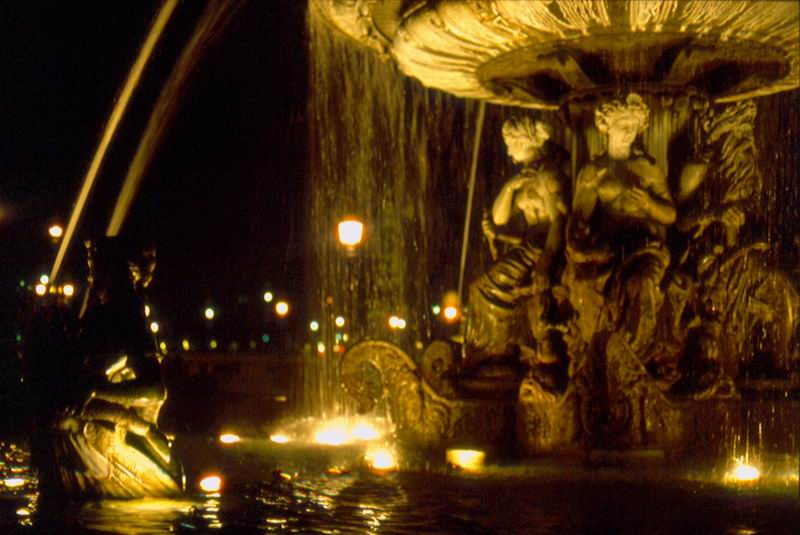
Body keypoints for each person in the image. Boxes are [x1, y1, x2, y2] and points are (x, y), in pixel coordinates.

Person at [569, 93, 675, 356]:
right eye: (623, 125)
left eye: (634, 126)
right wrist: (582, 242)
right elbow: (579, 218)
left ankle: (636, 351)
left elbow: (670, 215)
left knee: (643, 282)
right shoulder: (593, 172)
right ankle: (597, 350)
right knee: (586, 286)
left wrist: (650, 204)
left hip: (643, 246)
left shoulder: (646, 168)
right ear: (605, 126)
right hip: (607, 247)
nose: (629, 132)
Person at [466, 116, 567, 377]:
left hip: (540, 249)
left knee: (483, 288)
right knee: (482, 288)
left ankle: (494, 351)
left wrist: (546, 261)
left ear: (525, 142)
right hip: (527, 247)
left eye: (512, 144)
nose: (509, 150)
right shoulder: (524, 177)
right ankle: (496, 349)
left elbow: (560, 221)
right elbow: (500, 218)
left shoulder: (548, 175)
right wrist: (511, 186)